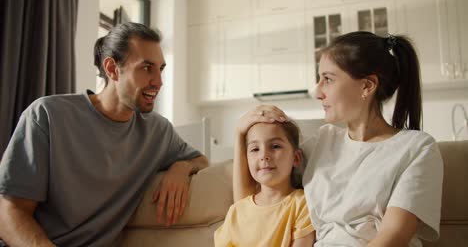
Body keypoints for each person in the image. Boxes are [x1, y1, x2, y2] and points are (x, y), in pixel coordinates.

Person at [0, 22, 208, 246]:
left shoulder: (158, 131)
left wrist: (181, 167)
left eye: (161, 69)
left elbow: (201, 160)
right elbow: (9, 212)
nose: (158, 82)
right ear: (111, 69)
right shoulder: (47, 115)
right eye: (147, 68)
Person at [234, 31, 443, 246]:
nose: (317, 92)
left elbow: (393, 237)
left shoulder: (417, 148)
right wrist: (240, 135)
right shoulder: (322, 141)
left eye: (327, 79)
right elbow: (250, 208)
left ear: (367, 86)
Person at [215, 120, 315, 247]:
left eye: (275, 146)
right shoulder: (236, 211)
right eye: (255, 149)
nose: (264, 155)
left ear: (296, 158)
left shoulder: (302, 204)